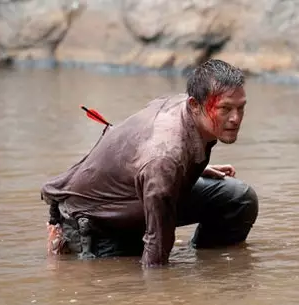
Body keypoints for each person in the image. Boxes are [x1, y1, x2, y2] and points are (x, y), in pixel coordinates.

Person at [39, 59, 259, 267]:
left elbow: (144, 155)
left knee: (238, 199)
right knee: (138, 277)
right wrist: (157, 293)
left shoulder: (186, 108)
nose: (236, 118)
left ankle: (209, 263)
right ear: (194, 104)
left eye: (241, 107)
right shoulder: (165, 158)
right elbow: (156, 251)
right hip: (97, 225)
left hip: (142, 190)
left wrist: (194, 168)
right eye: (225, 109)